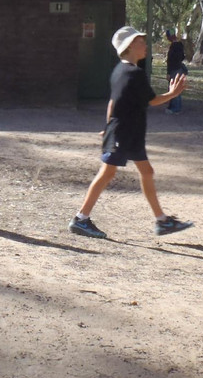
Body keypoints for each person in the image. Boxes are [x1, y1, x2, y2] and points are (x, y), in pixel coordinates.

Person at [69, 26, 192, 239]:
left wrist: (108, 126)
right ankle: (80, 219)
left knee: (146, 172)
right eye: (140, 41)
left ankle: (162, 221)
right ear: (129, 46)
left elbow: (112, 102)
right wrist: (173, 94)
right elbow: (152, 101)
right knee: (107, 174)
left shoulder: (120, 71)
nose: (145, 44)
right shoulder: (134, 74)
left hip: (129, 133)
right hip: (123, 134)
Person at [165, 29, 187, 114]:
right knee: (174, 88)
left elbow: (170, 61)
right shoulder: (180, 45)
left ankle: (175, 108)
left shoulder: (174, 46)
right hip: (179, 68)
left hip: (174, 69)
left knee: (174, 88)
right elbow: (182, 57)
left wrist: (168, 72)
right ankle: (173, 106)